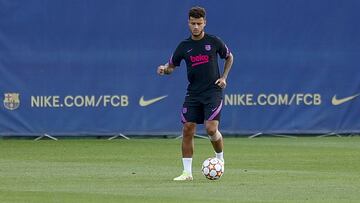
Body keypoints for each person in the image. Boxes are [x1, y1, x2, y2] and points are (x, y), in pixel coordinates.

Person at [157, 6, 234, 181]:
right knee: (187, 129)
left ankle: (220, 160)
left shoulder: (214, 42)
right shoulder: (184, 46)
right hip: (193, 93)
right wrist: (164, 69)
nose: (196, 27)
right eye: (193, 23)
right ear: (188, 23)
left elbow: (229, 57)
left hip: (212, 91)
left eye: (199, 23)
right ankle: (187, 173)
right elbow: (171, 67)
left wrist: (223, 77)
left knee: (210, 128)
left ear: (205, 22)